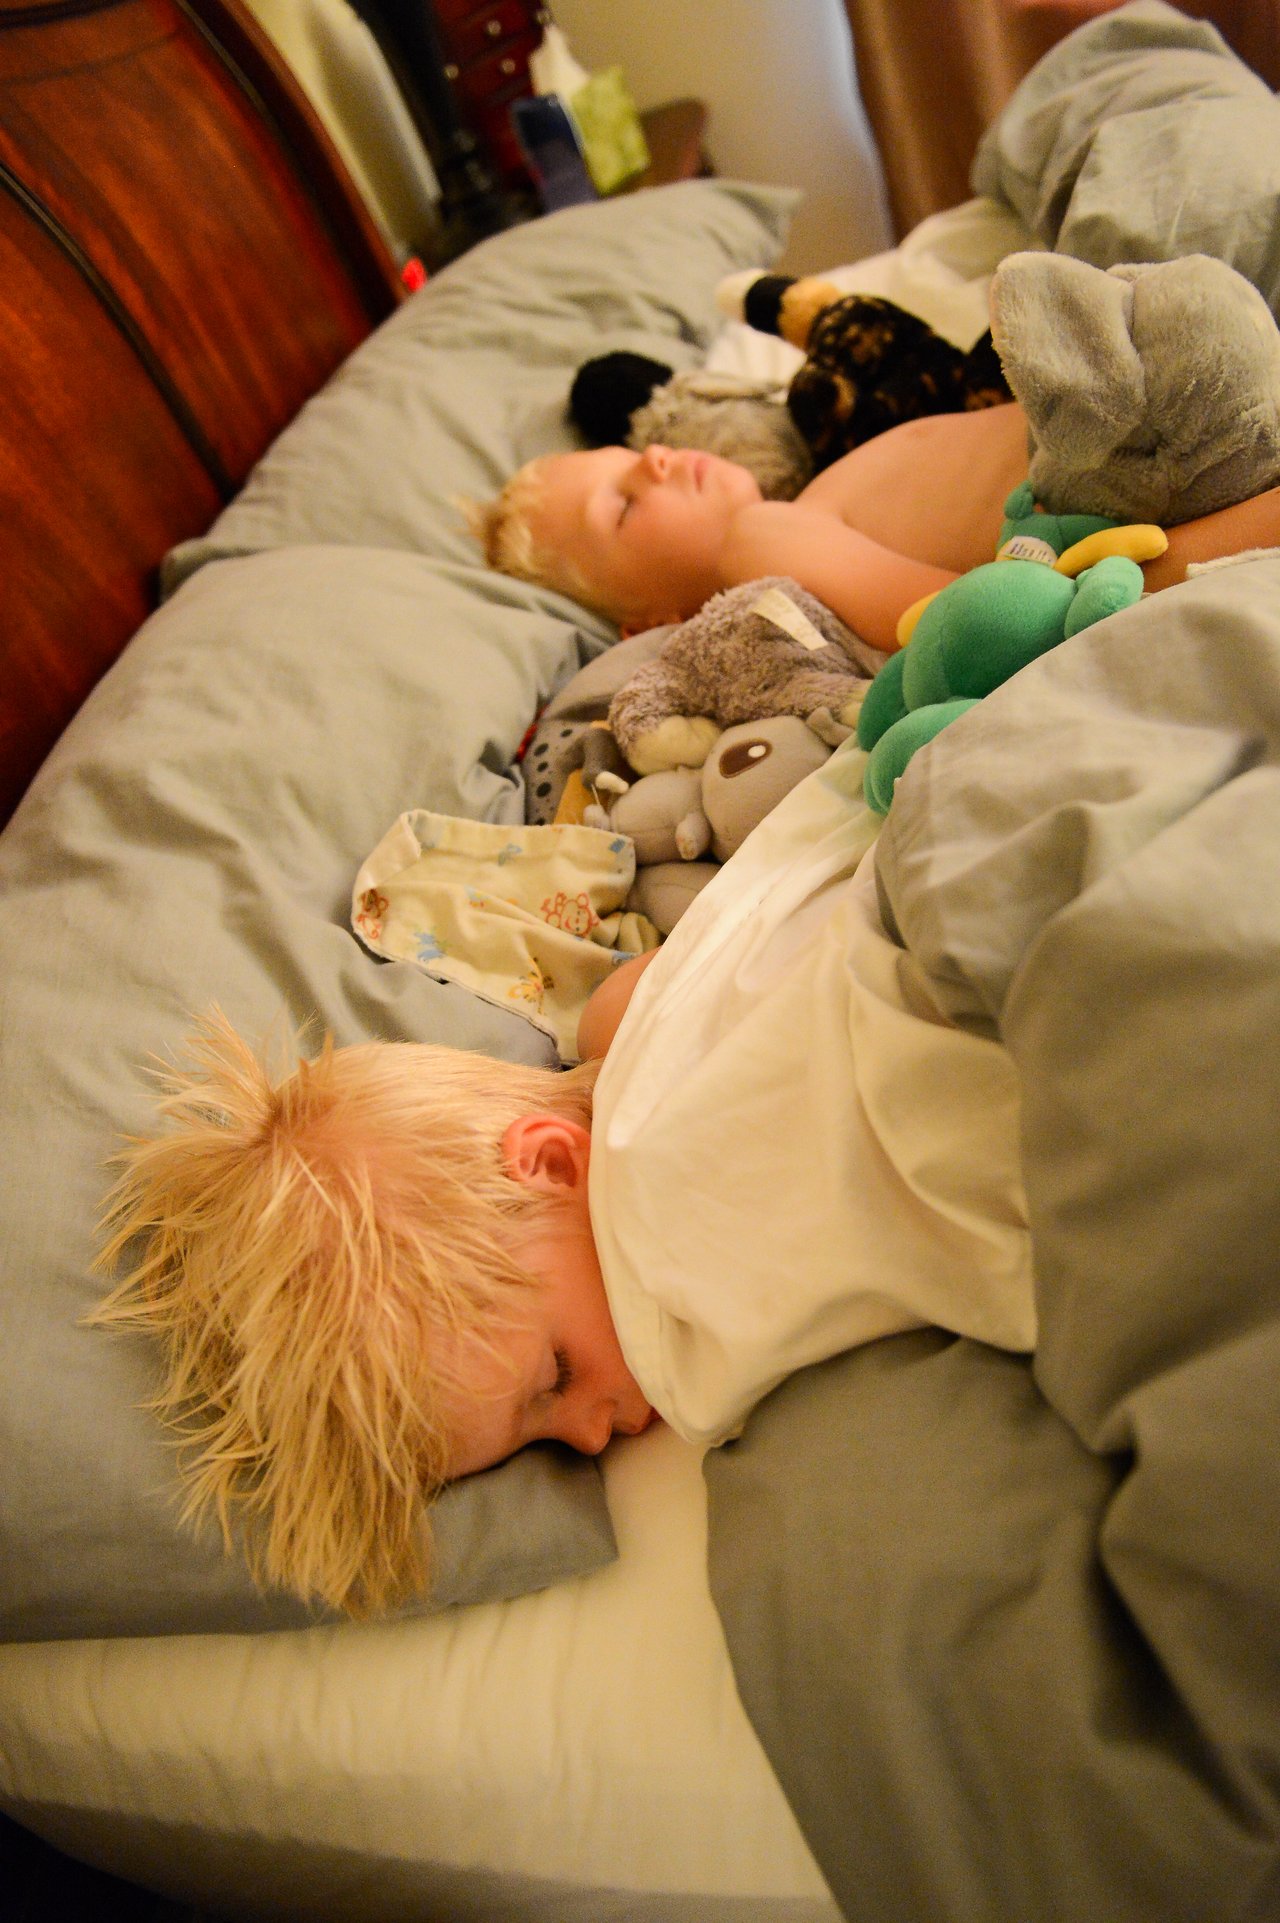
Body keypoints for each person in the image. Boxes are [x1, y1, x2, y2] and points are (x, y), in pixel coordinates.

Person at [94, 731, 1032, 1620]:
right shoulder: (623, 1017)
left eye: (555, 1375)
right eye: (546, 1437)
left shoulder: (669, 1190)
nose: (588, 1435)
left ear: (550, 1160)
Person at [470, 402, 1280, 652]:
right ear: (648, 621)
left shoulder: (807, 498)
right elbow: (998, 613)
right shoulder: (759, 540)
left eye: (634, 452)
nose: (653, 462)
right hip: (1172, 504)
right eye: (621, 504)